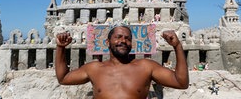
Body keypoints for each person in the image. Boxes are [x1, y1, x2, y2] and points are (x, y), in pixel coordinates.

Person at [55, 25, 189, 99]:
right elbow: (63, 78)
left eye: (127, 38)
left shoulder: (145, 66)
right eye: (118, 37)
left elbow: (181, 83)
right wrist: (61, 48)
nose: (123, 41)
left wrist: (177, 46)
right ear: (107, 42)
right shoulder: (94, 68)